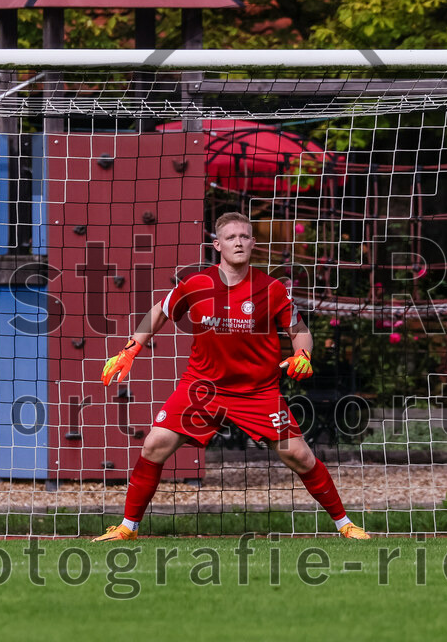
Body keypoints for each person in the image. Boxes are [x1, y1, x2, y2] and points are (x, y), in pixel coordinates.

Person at [93, 212, 370, 541]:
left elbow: (301, 333)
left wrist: (303, 354)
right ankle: (128, 528)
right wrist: (131, 348)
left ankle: (345, 525)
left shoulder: (272, 289)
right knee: (154, 445)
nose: (238, 241)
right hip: (202, 389)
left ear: (253, 243)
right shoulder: (196, 284)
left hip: (257, 392)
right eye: (230, 237)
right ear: (217, 245)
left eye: (244, 236)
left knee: (298, 454)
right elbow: (159, 311)